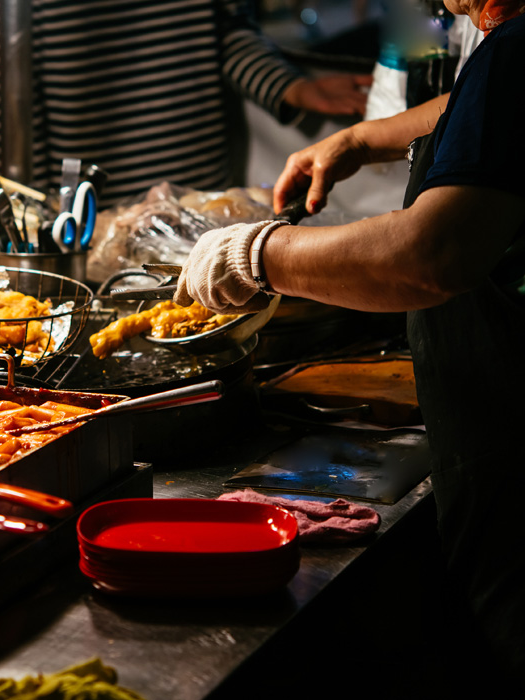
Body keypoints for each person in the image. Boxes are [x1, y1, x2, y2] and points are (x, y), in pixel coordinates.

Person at [174, 0, 525, 685]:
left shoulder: (515, 49)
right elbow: (480, 105)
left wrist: (258, 255)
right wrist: (364, 139)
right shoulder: (506, 56)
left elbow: (429, 256)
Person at [0, 0, 373, 205]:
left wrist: (289, 86)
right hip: (90, 201)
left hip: (200, 183)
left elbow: (226, 27)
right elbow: (15, 102)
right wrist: (36, 214)